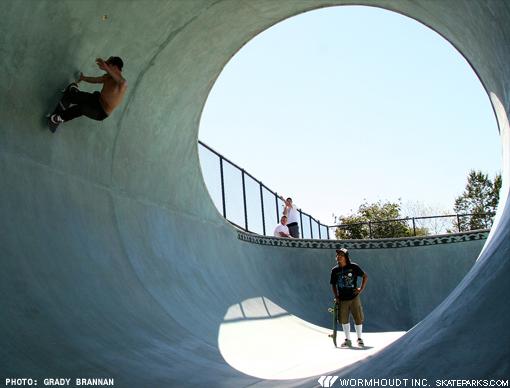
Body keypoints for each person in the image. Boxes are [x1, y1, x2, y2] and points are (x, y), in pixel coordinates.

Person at [49, 57, 127, 132]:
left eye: (108, 65)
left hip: (101, 112)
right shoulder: (108, 77)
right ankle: (74, 92)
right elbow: (96, 80)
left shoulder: (121, 84)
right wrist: (83, 78)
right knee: (73, 96)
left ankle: (60, 118)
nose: (106, 69)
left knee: (82, 108)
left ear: (115, 67)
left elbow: (123, 82)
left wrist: (106, 68)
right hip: (97, 99)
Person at [330, 248, 368, 347]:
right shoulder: (335, 270)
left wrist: (360, 289)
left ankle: (359, 338)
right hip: (342, 299)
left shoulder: (353, 267)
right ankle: (348, 339)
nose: (338, 257)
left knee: (358, 318)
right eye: (338, 255)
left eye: (341, 255)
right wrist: (336, 296)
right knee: (344, 319)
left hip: (354, 297)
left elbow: (365, 276)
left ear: (346, 257)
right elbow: (333, 284)